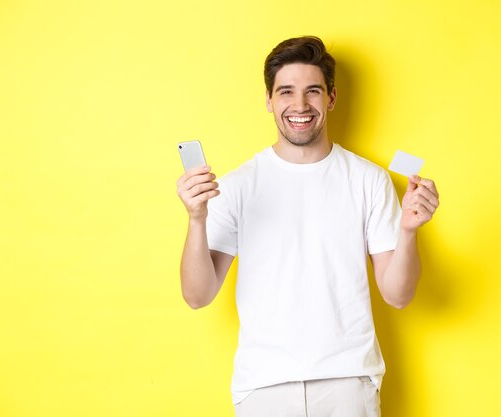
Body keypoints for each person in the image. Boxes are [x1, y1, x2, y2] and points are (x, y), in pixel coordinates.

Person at [176, 36, 439, 417]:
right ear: (268, 100)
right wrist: (197, 219)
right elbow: (197, 295)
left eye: (312, 91)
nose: (299, 105)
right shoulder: (235, 187)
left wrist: (410, 231)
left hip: (348, 381)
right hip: (264, 385)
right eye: (286, 92)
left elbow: (398, 295)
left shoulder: (369, 180)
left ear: (331, 98)